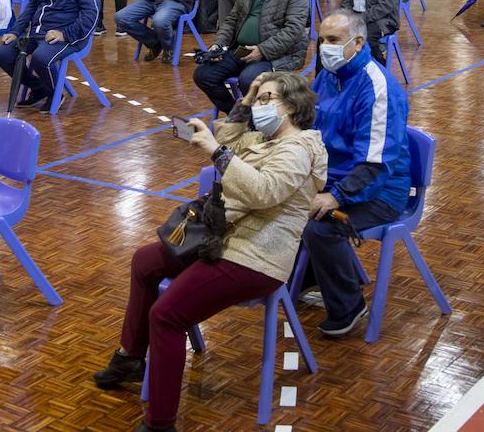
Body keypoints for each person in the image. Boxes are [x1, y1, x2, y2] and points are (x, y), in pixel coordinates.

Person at [94, 71, 327, 429]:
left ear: (293, 107)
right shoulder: (263, 137)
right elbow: (228, 135)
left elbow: (263, 191)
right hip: (224, 238)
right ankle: (130, 357)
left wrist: (216, 152)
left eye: (268, 99)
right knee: (144, 262)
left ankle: (160, 423)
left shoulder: (299, 148)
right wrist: (246, 99)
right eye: (259, 98)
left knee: (166, 315)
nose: (260, 105)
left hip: (257, 256)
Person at [299, 9, 410, 336]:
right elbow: (311, 129)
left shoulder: (377, 88)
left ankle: (349, 307)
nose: (323, 47)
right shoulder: (329, 76)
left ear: (358, 42)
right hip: (336, 178)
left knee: (322, 228)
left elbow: (375, 164)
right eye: (321, 39)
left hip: (381, 191)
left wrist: (336, 196)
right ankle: (311, 276)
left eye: (332, 40)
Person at [194, 0, 309, 114]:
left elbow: (293, 30)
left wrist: (262, 50)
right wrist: (218, 45)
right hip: (240, 51)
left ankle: (258, 122)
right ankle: (238, 113)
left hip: (276, 55)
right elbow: (232, 20)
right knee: (203, 75)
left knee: (248, 79)